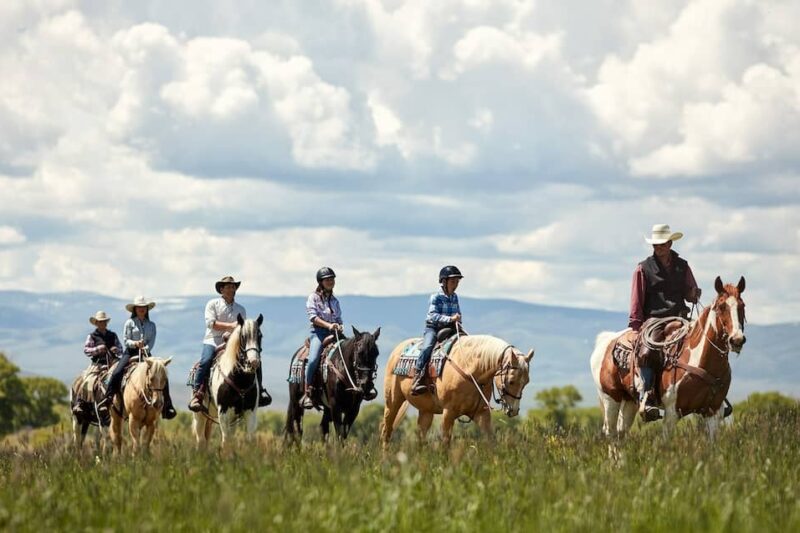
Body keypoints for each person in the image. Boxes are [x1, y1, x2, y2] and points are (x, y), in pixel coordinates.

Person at [629, 224, 701, 419]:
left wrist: (693, 293)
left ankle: (711, 394)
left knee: (704, 343)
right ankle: (647, 396)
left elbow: (689, 291)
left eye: (661, 244)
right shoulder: (643, 268)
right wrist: (636, 326)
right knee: (646, 350)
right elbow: (637, 299)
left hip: (680, 316)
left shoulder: (682, 266)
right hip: (655, 318)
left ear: (670, 243)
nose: (658, 248)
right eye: (655, 245)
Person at [188, 276, 271, 412]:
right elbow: (210, 323)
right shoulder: (212, 304)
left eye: (233, 287)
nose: (231, 289)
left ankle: (259, 390)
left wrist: (234, 333)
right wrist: (230, 326)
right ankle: (198, 394)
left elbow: (242, 330)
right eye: (228, 286)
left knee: (255, 360)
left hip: (234, 343)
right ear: (221, 289)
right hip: (213, 341)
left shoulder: (241, 309)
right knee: (206, 360)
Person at [111, 296, 177, 419]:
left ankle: (167, 406)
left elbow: (152, 341)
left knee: (161, 375)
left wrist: (145, 348)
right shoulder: (129, 323)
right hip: (130, 352)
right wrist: (135, 343)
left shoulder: (152, 325)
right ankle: (109, 398)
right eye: (139, 307)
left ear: (147, 309)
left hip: (146, 354)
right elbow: (126, 340)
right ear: (135, 309)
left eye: (144, 307)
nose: (141, 309)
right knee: (117, 372)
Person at [410, 266, 463, 395]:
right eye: (452, 281)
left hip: (449, 328)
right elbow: (432, 315)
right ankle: (417, 376)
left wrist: (457, 320)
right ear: (444, 282)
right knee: (428, 347)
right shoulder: (436, 297)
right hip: (433, 328)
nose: (455, 285)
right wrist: (450, 319)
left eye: (457, 282)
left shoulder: (455, 297)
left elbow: (458, 313)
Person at [299, 267, 343, 409]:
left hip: (334, 334)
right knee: (313, 360)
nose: (330, 282)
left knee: (350, 352)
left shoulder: (335, 301)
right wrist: (329, 326)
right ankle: (308, 391)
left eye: (332, 279)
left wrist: (339, 325)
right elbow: (313, 317)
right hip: (318, 333)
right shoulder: (313, 297)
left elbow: (338, 318)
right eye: (327, 279)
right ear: (321, 282)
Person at [84, 311, 123, 417]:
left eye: (104, 321)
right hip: (98, 364)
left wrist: (116, 350)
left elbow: (121, 349)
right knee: (87, 381)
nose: (103, 323)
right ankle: (81, 403)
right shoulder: (92, 336)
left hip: (113, 364)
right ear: (96, 323)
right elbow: (86, 350)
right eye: (100, 322)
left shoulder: (113, 335)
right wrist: (97, 349)